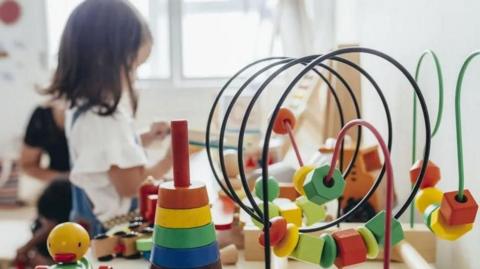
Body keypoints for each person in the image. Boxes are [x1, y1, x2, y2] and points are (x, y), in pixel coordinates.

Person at [45, 0, 172, 234]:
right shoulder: (105, 118)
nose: (135, 77)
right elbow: (131, 185)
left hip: (91, 222)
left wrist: (147, 137)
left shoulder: (83, 108)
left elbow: (106, 157)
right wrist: (169, 160)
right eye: (134, 66)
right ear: (106, 61)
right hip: (114, 231)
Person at [15, 100, 72, 267]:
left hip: (71, 195)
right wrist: (66, 177)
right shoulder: (43, 115)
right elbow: (27, 164)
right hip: (59, 193)